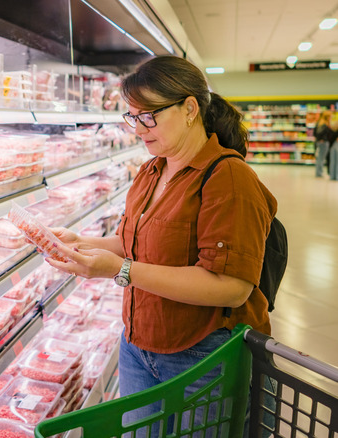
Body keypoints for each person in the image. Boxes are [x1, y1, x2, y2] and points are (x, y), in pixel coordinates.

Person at [44, 56, 277, 436]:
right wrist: (80, 241)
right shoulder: (151, 170)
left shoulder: (229, 177)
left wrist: (120, 271)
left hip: (203, 355)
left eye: (148, 116)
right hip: (138, 345)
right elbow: (134, 241)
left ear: (189, 109)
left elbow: (233, 288)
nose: (138, 129)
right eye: (132, 117)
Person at [314, 111, 334, 178]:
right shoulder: (324, 125)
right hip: (323, 143)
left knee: (320, 158)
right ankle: (319, 173)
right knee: (321, 158)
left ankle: (319, 172)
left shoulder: (319, 123)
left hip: (320, 143)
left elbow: (315, 133)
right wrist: (322, 139)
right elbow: (319, 133)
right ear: (327, 117)